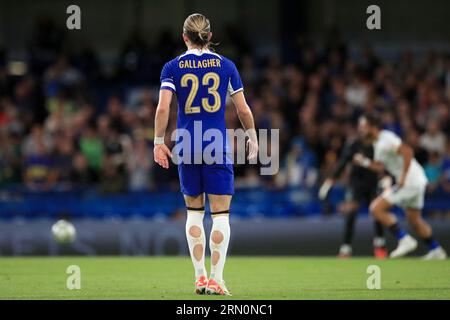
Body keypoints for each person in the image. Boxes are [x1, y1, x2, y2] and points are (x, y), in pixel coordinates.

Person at [153, 13, 258, 295]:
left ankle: (199, 278)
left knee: (194, 214)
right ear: (210, 36)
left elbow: (163, 108)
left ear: (184, 37)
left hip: (186, 144)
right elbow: (243, 109)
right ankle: (217, 279)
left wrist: (157, 141)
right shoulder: (227, 66)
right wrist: (252, 137)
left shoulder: (172, 67)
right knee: (221, 215)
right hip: (216, 145)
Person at [354, 114, 447, 260]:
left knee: (376, 209)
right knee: (414, 220)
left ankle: (404, 239)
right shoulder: (377, 143)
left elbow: (407, 152)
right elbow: (380, 167)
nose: (361, 129)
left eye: (363, 126)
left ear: (372, 126)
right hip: (416, 181)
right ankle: (436, 250)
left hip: (409, 181)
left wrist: (403, 177)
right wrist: (364, 162)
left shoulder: (386, 138)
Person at [319, 133, 387, 259]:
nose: (363, 129)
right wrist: (330, 181)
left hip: (373, 183)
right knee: (351, 213)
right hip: (356, 184)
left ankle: (380, 246)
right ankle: (346, 248)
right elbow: (343, 162)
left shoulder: (378, 145)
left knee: (377, 212)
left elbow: (384, 164)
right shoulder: (354, 144)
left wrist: (386, 177)